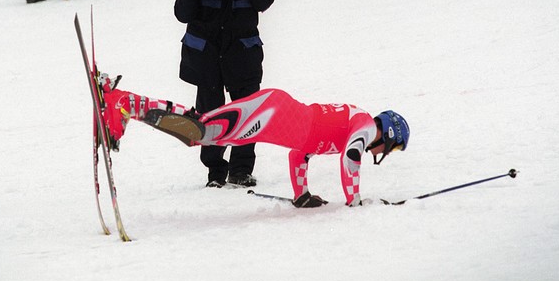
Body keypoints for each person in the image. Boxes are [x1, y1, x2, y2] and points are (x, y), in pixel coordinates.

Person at [99, 81, 410, 207]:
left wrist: (301, 196)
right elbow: (352, 157)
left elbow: (299, 154)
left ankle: (124, 105)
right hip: (275, 114)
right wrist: (355, 202)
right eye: (393, 148)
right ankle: (122, 102)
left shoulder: (347, 127)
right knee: (203, 131)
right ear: (390, 134)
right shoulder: (367, 126)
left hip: (276, 115)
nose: (386, 153)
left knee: (200, 133)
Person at [174, 0, 275, 188]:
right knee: (209, 117)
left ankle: (241, 170)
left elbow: (265, 0)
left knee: (247, 115)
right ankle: (215, 172)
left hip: (242, 60)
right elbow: (182, 14)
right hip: (207, 61)